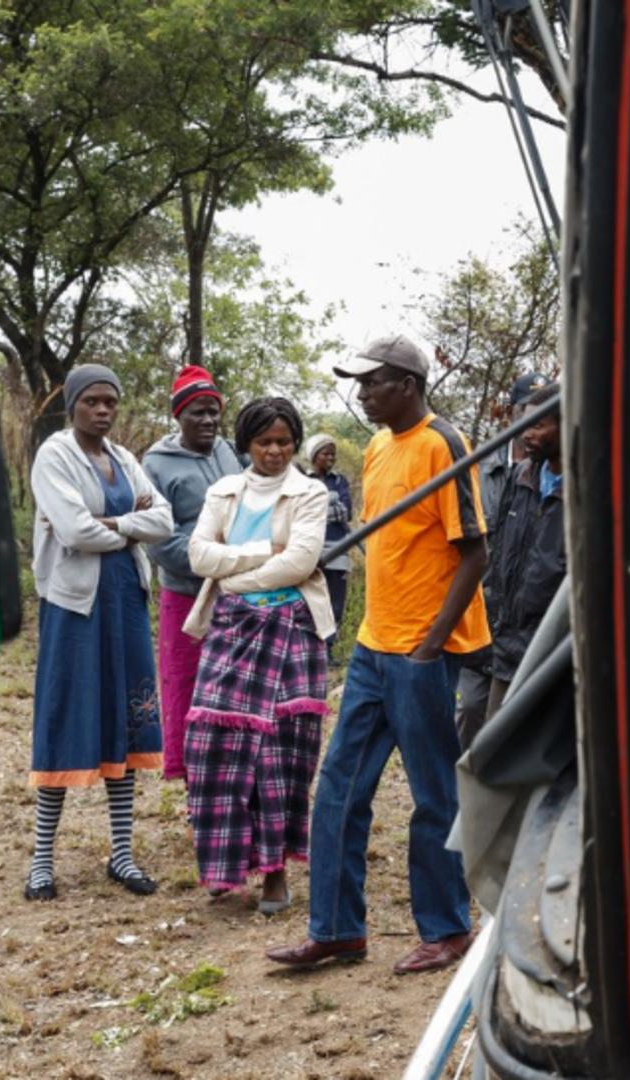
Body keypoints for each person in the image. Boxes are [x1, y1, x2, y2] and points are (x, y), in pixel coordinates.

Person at [266, 334, 490, 975]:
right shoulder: (380, 450)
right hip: (372, 646)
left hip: (421, 654)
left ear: (409, 385)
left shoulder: (442, 445)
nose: (361, 394)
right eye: (359, 384)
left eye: (372, 383)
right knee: (339, 787)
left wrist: (429, 645)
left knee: (432, 794)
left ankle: (448, 930)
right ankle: (336, 929)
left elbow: (475, 551)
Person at [25, 364, 174, 901]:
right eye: (92, 401)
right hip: (75, 606)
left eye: (111, 401)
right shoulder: (54, 455)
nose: (104, 410)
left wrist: (110, 525)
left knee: (127, 723)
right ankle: (42, 861)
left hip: (126, 601)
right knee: (66, 716)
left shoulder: (124, 459)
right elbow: (72, 529)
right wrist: (124, 527)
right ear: (72, 406)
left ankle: (122, 854)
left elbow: (165, 519)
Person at [182, 398, 335, 914]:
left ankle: (275, 874)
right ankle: (227, 867)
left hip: (291, 631)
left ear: (296, 443)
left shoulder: (310, 492)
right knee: (211, 748)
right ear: (245, 443)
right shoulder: (223, 491)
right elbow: (198, 554)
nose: (275, 451)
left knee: (279, 757)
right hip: (230, 629)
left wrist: (232, 578)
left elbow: (301, 562)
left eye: (284, 442)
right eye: (264, 442)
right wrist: (261, 558)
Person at [143, 365, 243, 783]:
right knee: (187, 687)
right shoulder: (156, 464)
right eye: (197, 412)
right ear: (178, 416)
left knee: (231, 688)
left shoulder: (226, 452)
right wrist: (215, 559)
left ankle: (230, 780)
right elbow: (158, 539)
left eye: (213, 412)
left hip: (236, 593)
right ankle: (194, 787)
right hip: (186, 594)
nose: (207, 420)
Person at [457, 370, 550, 744]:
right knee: (468, 709)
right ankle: (458, 792)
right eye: (528, 410)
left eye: (543, 416)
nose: (533, 423)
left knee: (508, 721)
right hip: (479, 610)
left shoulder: (551, 471)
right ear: (512, 412)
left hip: (522, 619)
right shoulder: (481, 467)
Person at [477, 381, 565, 738]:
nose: (525, 435)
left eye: (538, 426)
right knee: (495, 746)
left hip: (553, 650)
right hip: (508, 643)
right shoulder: (521, 476)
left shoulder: (590, 485)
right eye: (523, 424)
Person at [303, 432, 354, 641]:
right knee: (311, 601)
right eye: (326, 454)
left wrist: (322, 507)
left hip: (339, 553)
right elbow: (304, 512)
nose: (331, 459)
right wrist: (330, 503)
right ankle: (310, 645)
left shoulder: (340, 480)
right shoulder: (303, 480)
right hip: (310, 551)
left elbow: (347, 512)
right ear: (315, 456)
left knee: (335, 603)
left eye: (333, 455)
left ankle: (329, 649)